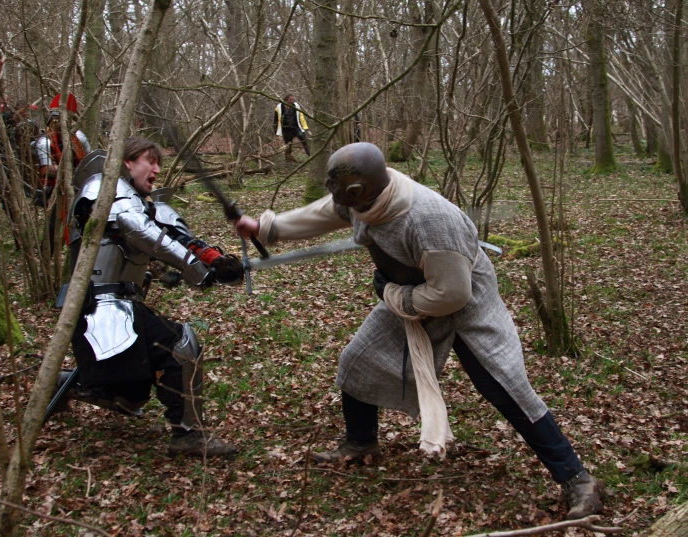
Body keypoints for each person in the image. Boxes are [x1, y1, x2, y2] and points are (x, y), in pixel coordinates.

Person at [234, 142, 605, 519]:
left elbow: (452, 294)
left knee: (505, 386)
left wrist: (395, 295)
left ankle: (577, 478)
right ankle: (360, 443)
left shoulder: (428, 220)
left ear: (363, 189)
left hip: (462, 304)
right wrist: (268, 227)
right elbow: (329, 211)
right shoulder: (361, 197)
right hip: (408, 293)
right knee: (358, 360)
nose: (343, 205)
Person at [61, 137, 243, 457]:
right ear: (128, 162)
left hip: (122, 307)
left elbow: (167, 242)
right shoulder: (106, 190)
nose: (158, 169)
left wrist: (214, 264)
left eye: (159, 162)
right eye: (151, 161)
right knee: (182, 341)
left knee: (131, 396)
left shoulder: (136, 201)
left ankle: (69, 384)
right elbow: (139, 231)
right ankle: (188, 435)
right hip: (99, 309)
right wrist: (197, 272)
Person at [36, 93, 91, 252]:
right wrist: (69, 170)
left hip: (79, 189)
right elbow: (46, 170)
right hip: (56, 192)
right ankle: (46, 263)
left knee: (81, 226)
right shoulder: (45, 141)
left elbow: (89, 161)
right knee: (52, 229)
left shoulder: (79, 137)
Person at [273, 94, 310, 162]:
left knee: (304, 140)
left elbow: (301, 116)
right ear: (286, 100)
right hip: (286, 129)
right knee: (288, 145)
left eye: (293, 99)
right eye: (291, 99)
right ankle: (288, 160)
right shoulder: (279, 107)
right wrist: (276, 130)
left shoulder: (296, 106)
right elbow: (276, 119)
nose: (292, 101)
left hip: (296, 127)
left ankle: (310, 155)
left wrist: (305, 126)